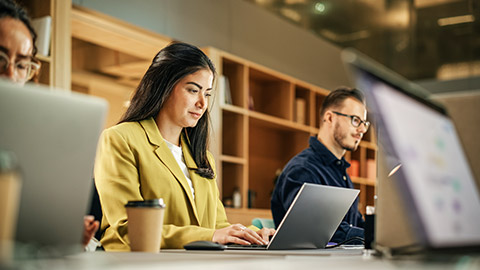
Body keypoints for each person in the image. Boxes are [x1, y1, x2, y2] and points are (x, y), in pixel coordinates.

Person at [94, 42, 275, 251]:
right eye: (193, 90)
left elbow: (217, 227)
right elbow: (127, 229)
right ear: (164, 86)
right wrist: (213, 235)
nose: (202, 103)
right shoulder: (120, 139)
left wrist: (251, 234)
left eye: (206, 94)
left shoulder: (201, 157)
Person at [0, 0, 99, 248]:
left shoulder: (34, 136)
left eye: (22, 65)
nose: (11, 74)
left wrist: (64, 234)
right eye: (0, 59)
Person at [271, 87, 368, 243]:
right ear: (330, 118)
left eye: (364, 123)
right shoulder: (302, 169)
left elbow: (355, 223)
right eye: (355, 120)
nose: (362, 129)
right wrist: (370, 237)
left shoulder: (341, 172)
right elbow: (316, 229)